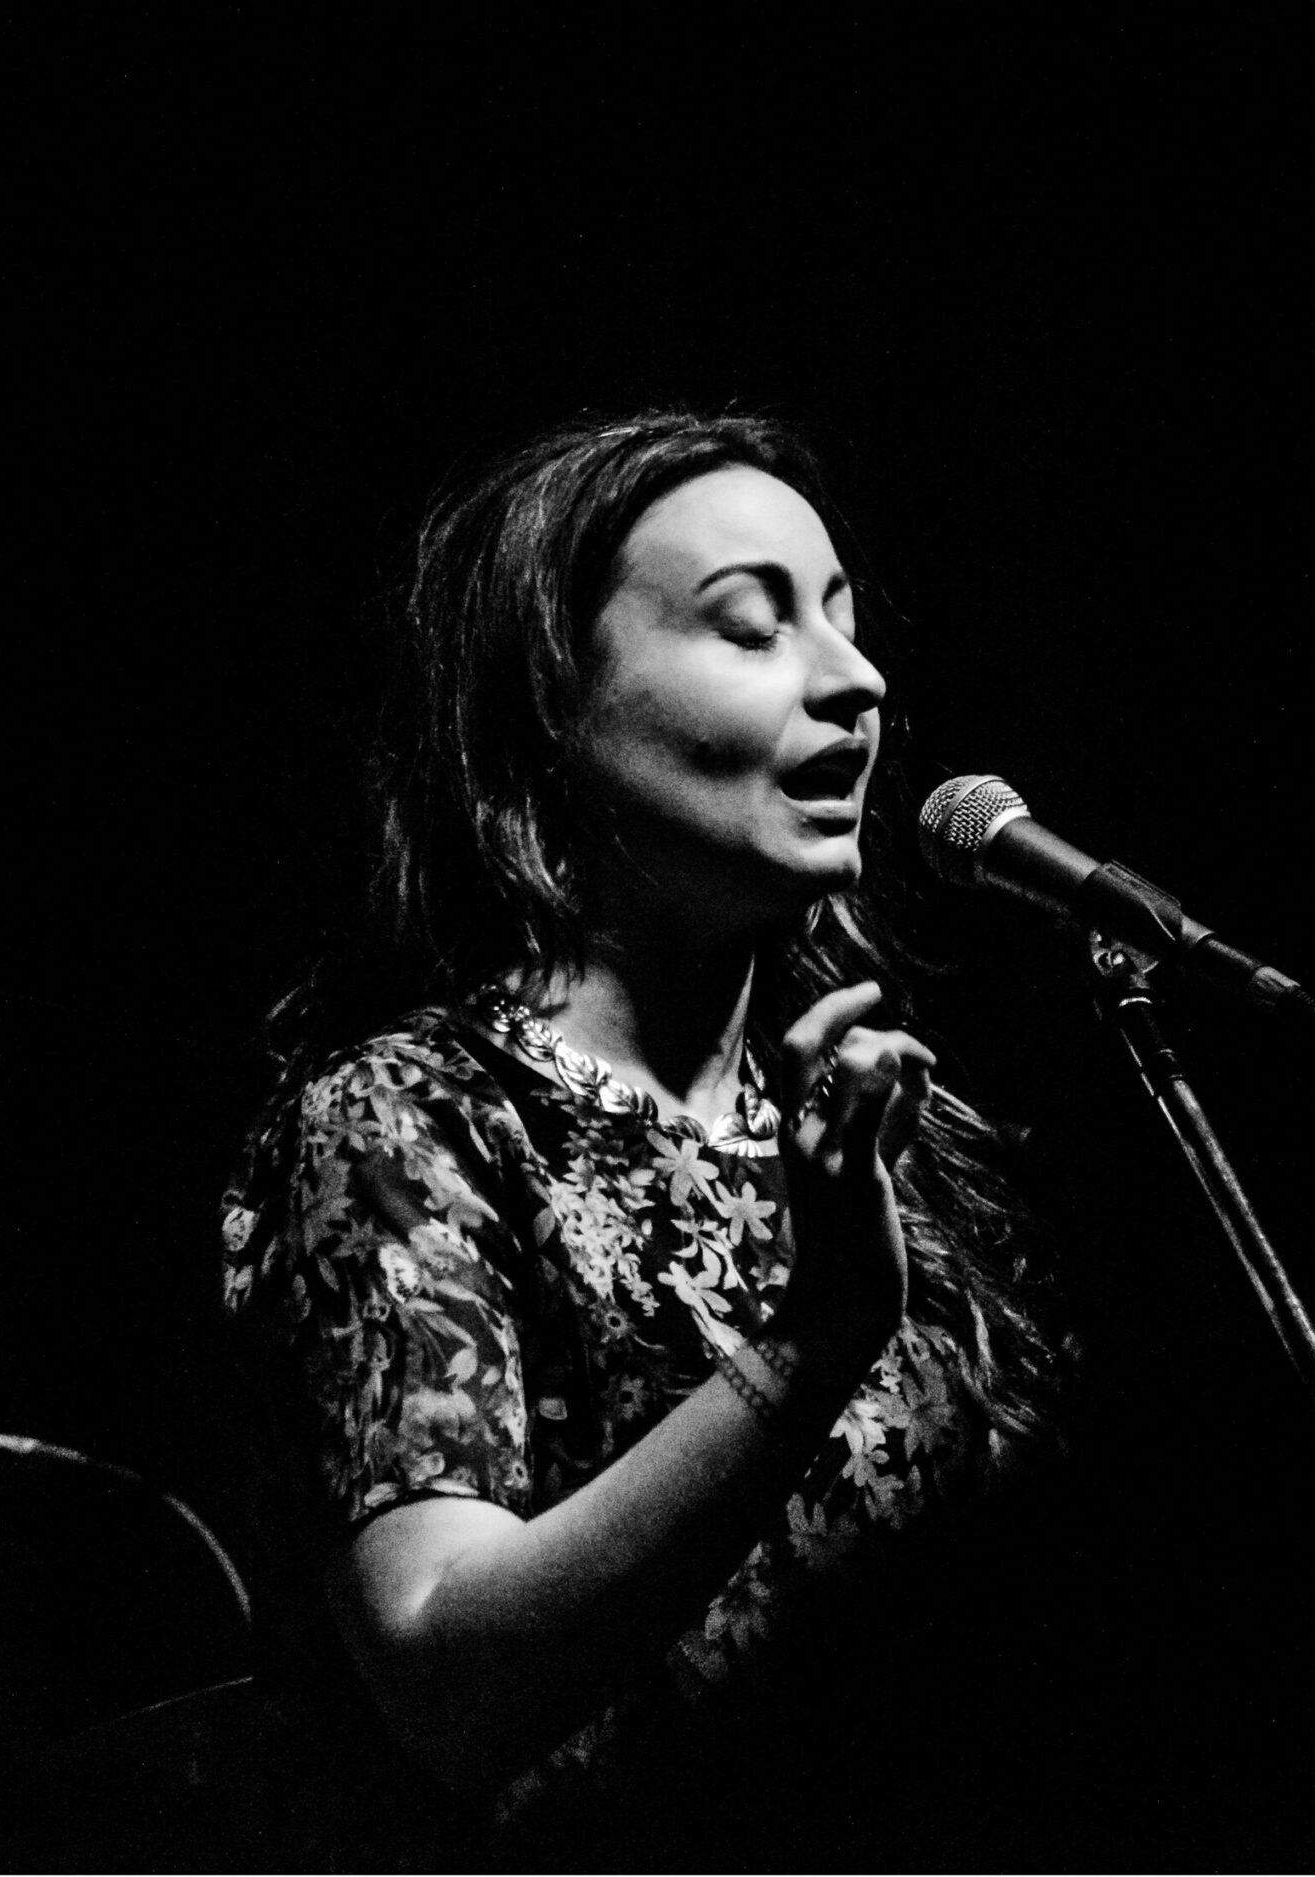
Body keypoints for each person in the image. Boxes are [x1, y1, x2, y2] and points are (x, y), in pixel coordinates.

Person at [220, 410, 1063, 1866]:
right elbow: (449, 1680)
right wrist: (810, 1345)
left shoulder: (888, 1135)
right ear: (550, 702)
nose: (854, 680)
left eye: (847, 623)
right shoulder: (411, 1117)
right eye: (750, 628)